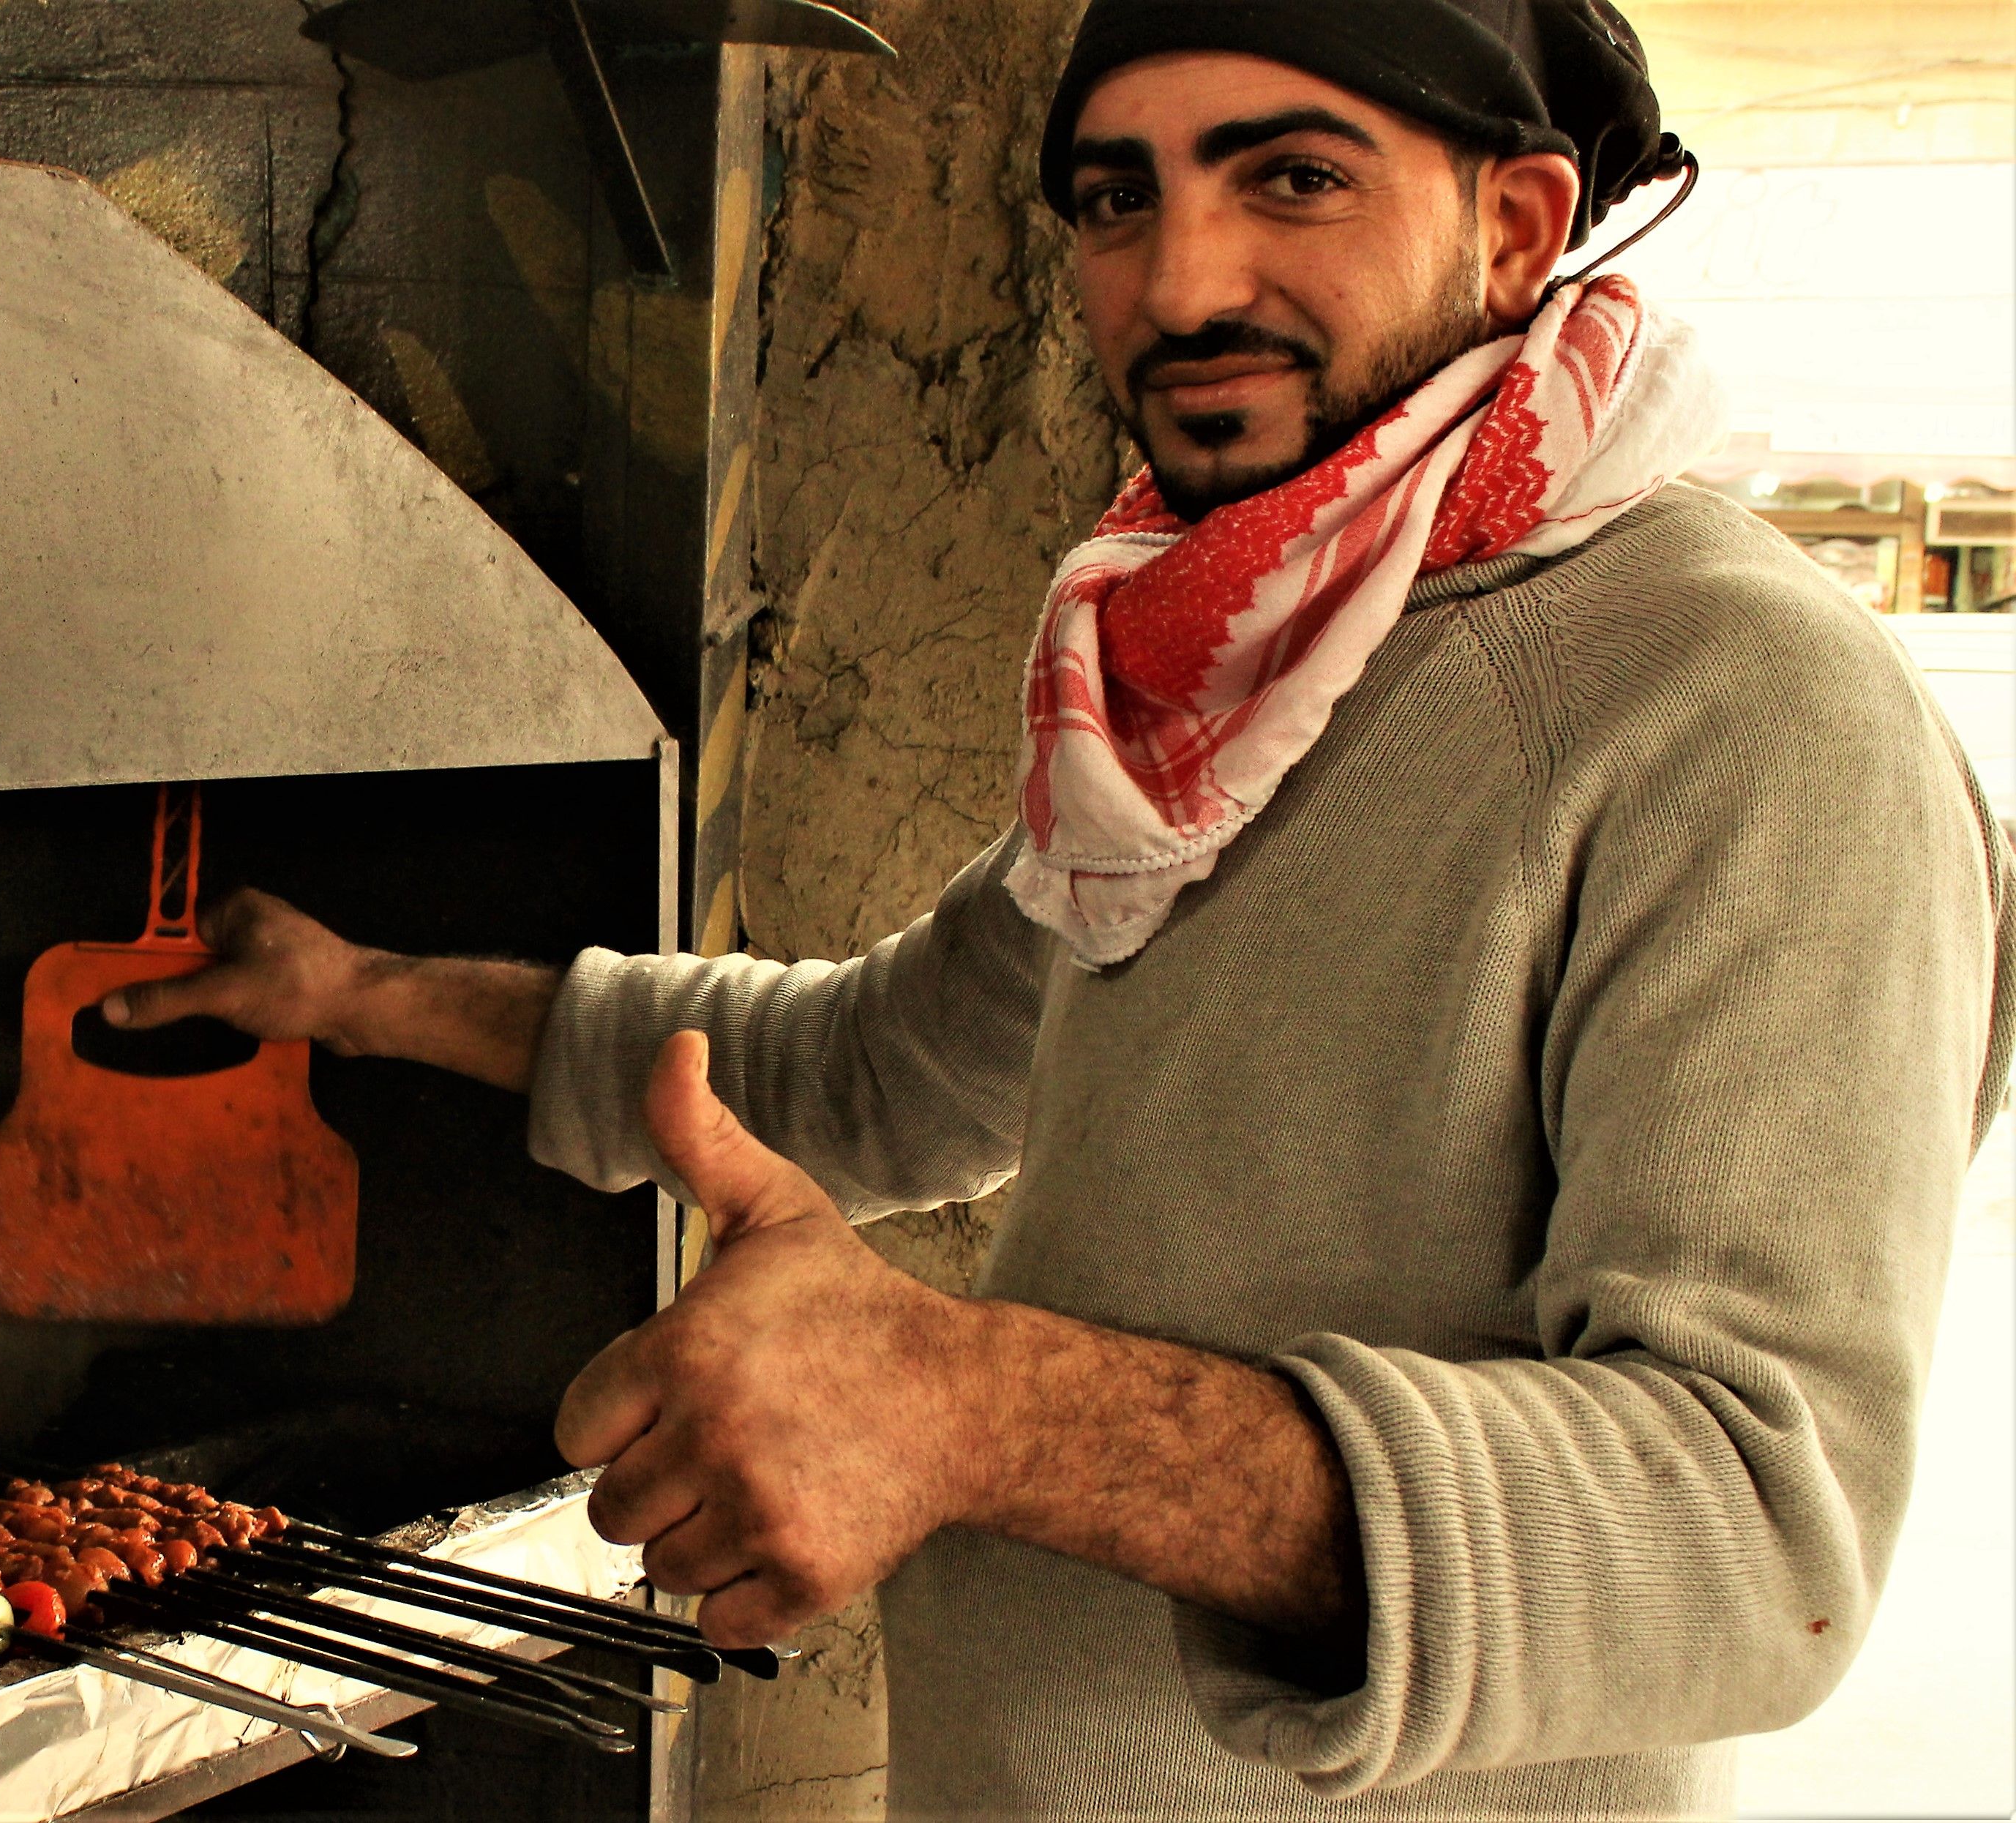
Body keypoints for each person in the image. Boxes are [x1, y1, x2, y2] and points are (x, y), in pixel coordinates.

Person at [105, 0, 2016, 1812]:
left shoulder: (1736, 703)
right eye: (1119, 197)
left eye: (1289, 178)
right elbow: (884, 1062)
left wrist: (967, 1402)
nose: (1178, 286)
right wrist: (366, 992)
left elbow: (1751, 1538)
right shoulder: (1229, 668)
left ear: (1515, 228)